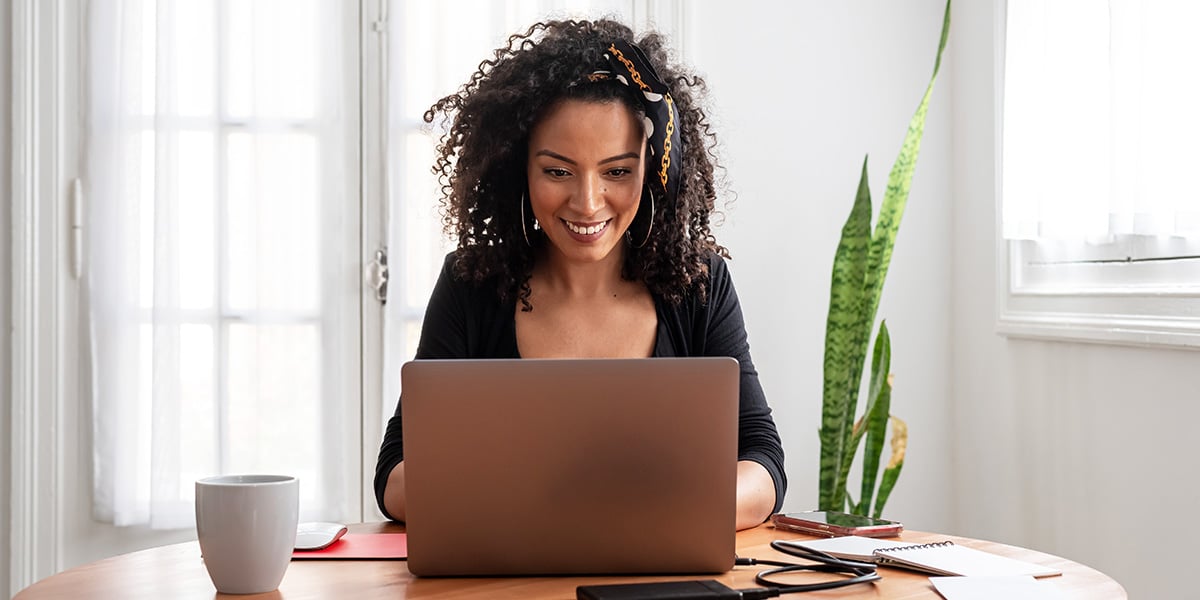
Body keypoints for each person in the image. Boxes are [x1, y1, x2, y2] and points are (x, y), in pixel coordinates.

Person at [374, 18, 785, 531]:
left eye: (616, 171)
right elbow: (396, 476)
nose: (587, 203)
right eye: (557, 171)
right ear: (517, 169)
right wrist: (554, 509)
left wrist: (643, 512)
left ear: (654, 169)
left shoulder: (699, 284)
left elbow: (762, 462)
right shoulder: (470, 283)